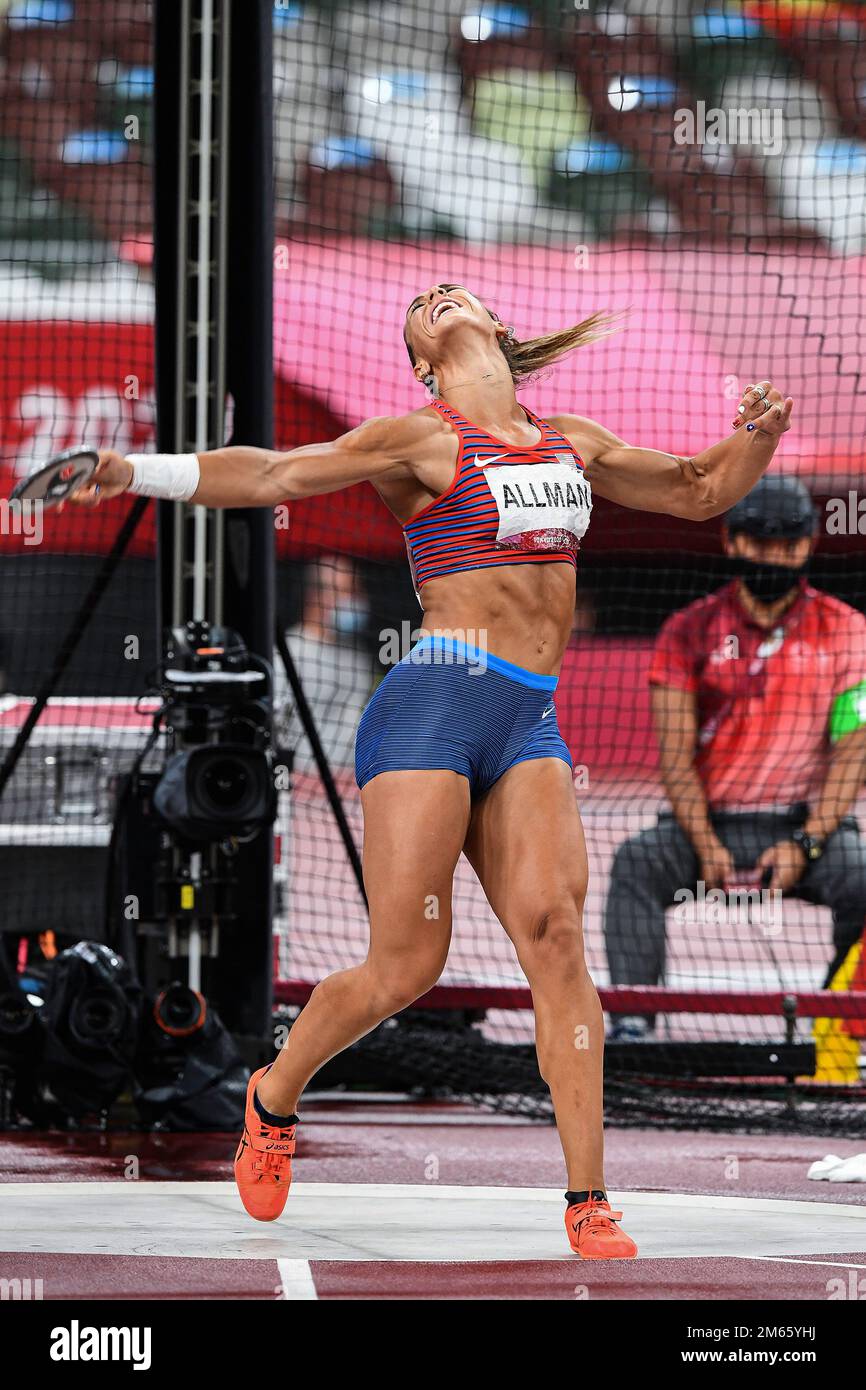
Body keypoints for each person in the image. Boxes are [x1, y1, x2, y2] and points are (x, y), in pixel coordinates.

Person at [72, 283, 793, 1258]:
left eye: (451, 293)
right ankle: (273, 1094)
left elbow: (700, 489)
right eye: (421, 305)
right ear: (422, 361)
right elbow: (275, 472)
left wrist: (758, 437)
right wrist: (134, 471)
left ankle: (588, 1199)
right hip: (432, 707)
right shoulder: (419, 438)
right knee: (407, 966)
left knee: (555, 942)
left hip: (527, 718)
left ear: (495, 326)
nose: (437, 296)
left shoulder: (571, 442)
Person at [605, 476, 866, 1041]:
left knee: (863, 878)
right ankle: (632, 1023)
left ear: (808, 544)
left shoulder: (847, 631)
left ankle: (846, 1028)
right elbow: (675, 758)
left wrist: (806, 843)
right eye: (759, 542)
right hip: (708, 827)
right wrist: (704, 844)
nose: (773, 556)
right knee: (635, 863)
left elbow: (852, 755)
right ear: (731, 541)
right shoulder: (688, 631)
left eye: (788, 544)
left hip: (806, 829)